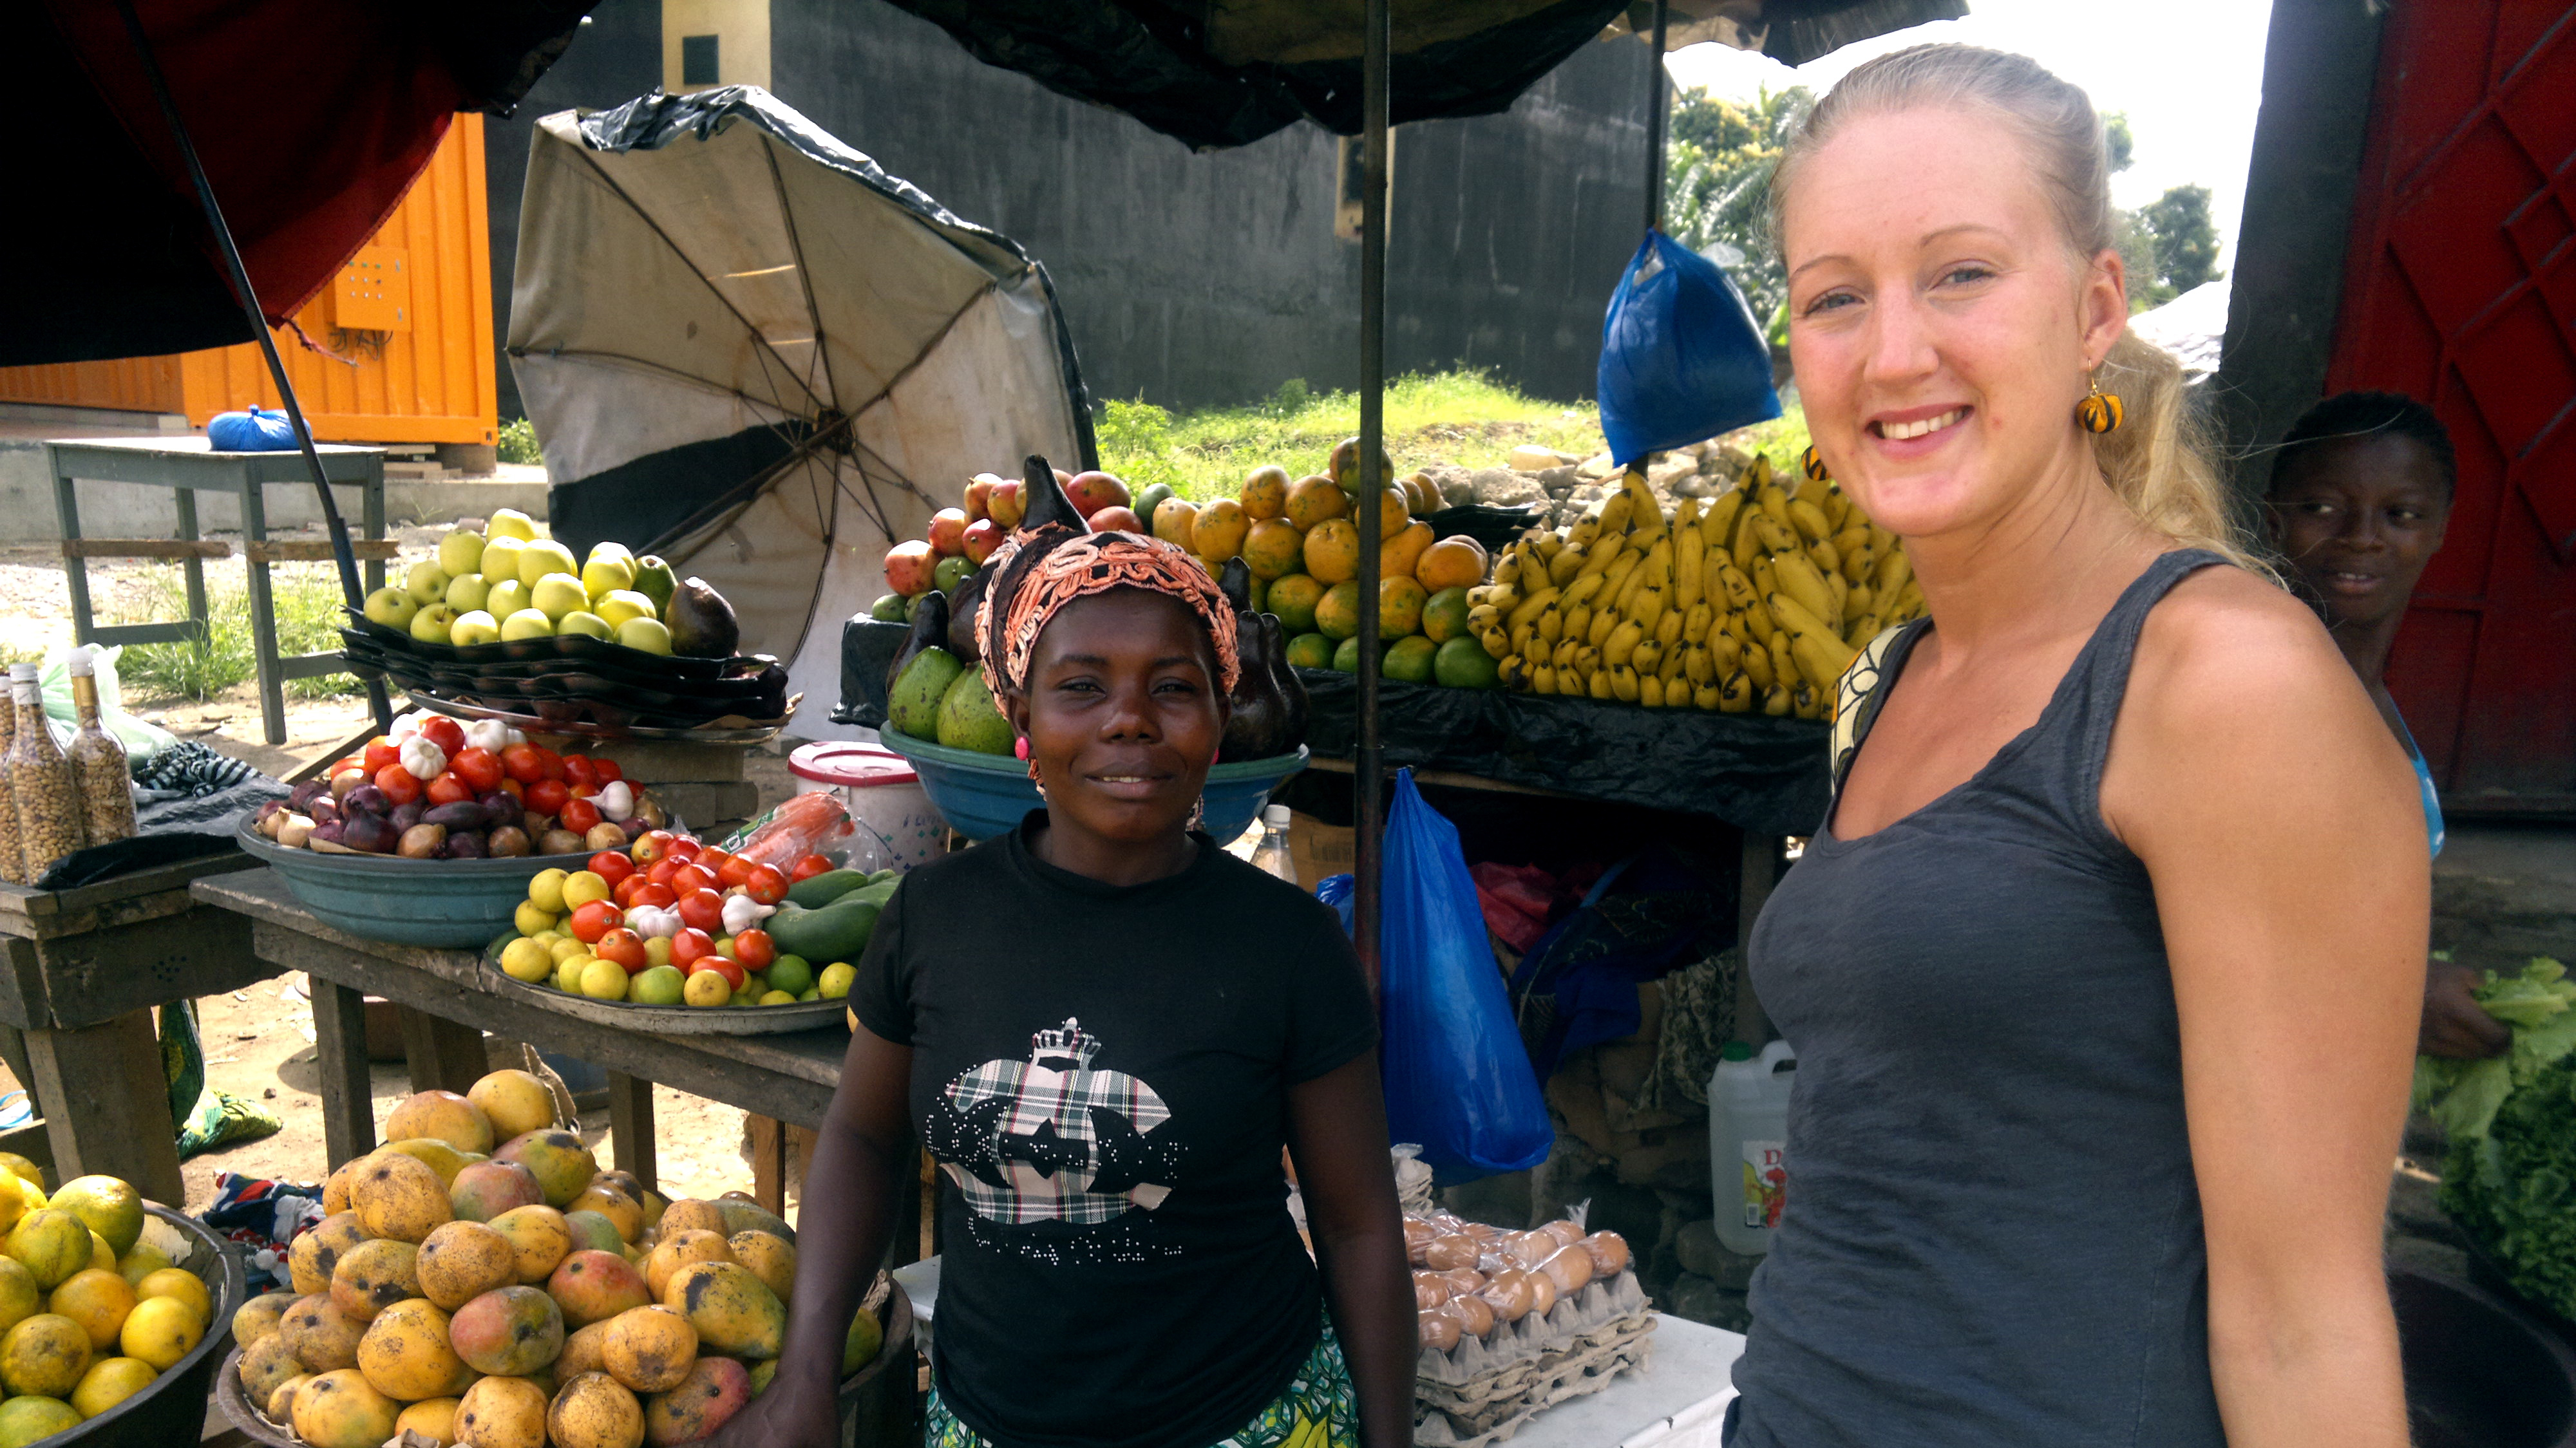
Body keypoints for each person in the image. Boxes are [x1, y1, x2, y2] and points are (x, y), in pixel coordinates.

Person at [1727, 43, 2425, 1448]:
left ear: (2096, 307)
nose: (1894, 352)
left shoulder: (2220, 683)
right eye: (1836, 296)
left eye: (1961, 273)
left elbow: (2305, 1325)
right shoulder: (1898, 675)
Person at [715, 531, 1412, 1448]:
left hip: (1248, 1417)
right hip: (986, 1419)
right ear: (1021, 715)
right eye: (1082, 685)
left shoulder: (1288, 944)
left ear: (1219, 717)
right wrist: (807, 1374)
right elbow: (863, 1135)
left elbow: (1358, 1227)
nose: (1130, 719)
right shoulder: (935, 915)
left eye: (1174, 687)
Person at [2266, 389, 2506, 1060]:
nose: (2362, 536)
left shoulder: (2369, 694)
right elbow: (2188, 911)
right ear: (2273, 519)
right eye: (2321, 508)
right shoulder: (2258, 694)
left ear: (2440, 529)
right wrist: (2393, 988)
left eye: (2400, 514)